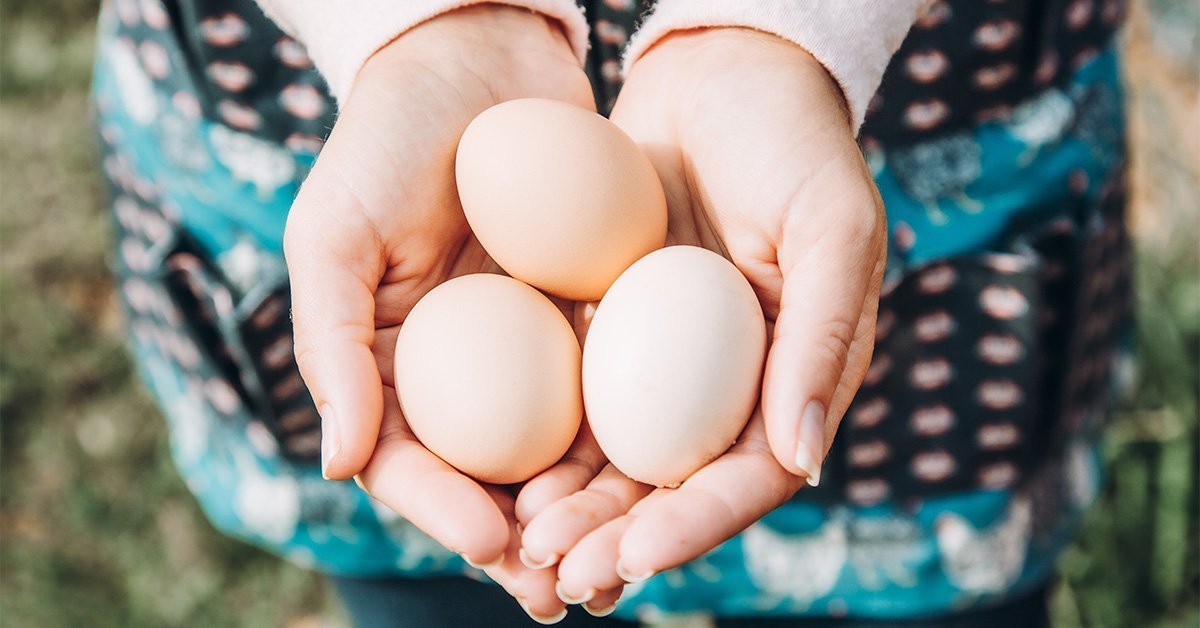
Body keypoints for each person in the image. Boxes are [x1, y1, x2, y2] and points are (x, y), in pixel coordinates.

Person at [93, 0, 1131, 625]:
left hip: (918, 110)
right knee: (448, 568)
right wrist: (419, 21)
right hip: (322, 93)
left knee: (927, 593)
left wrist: (786, 25)